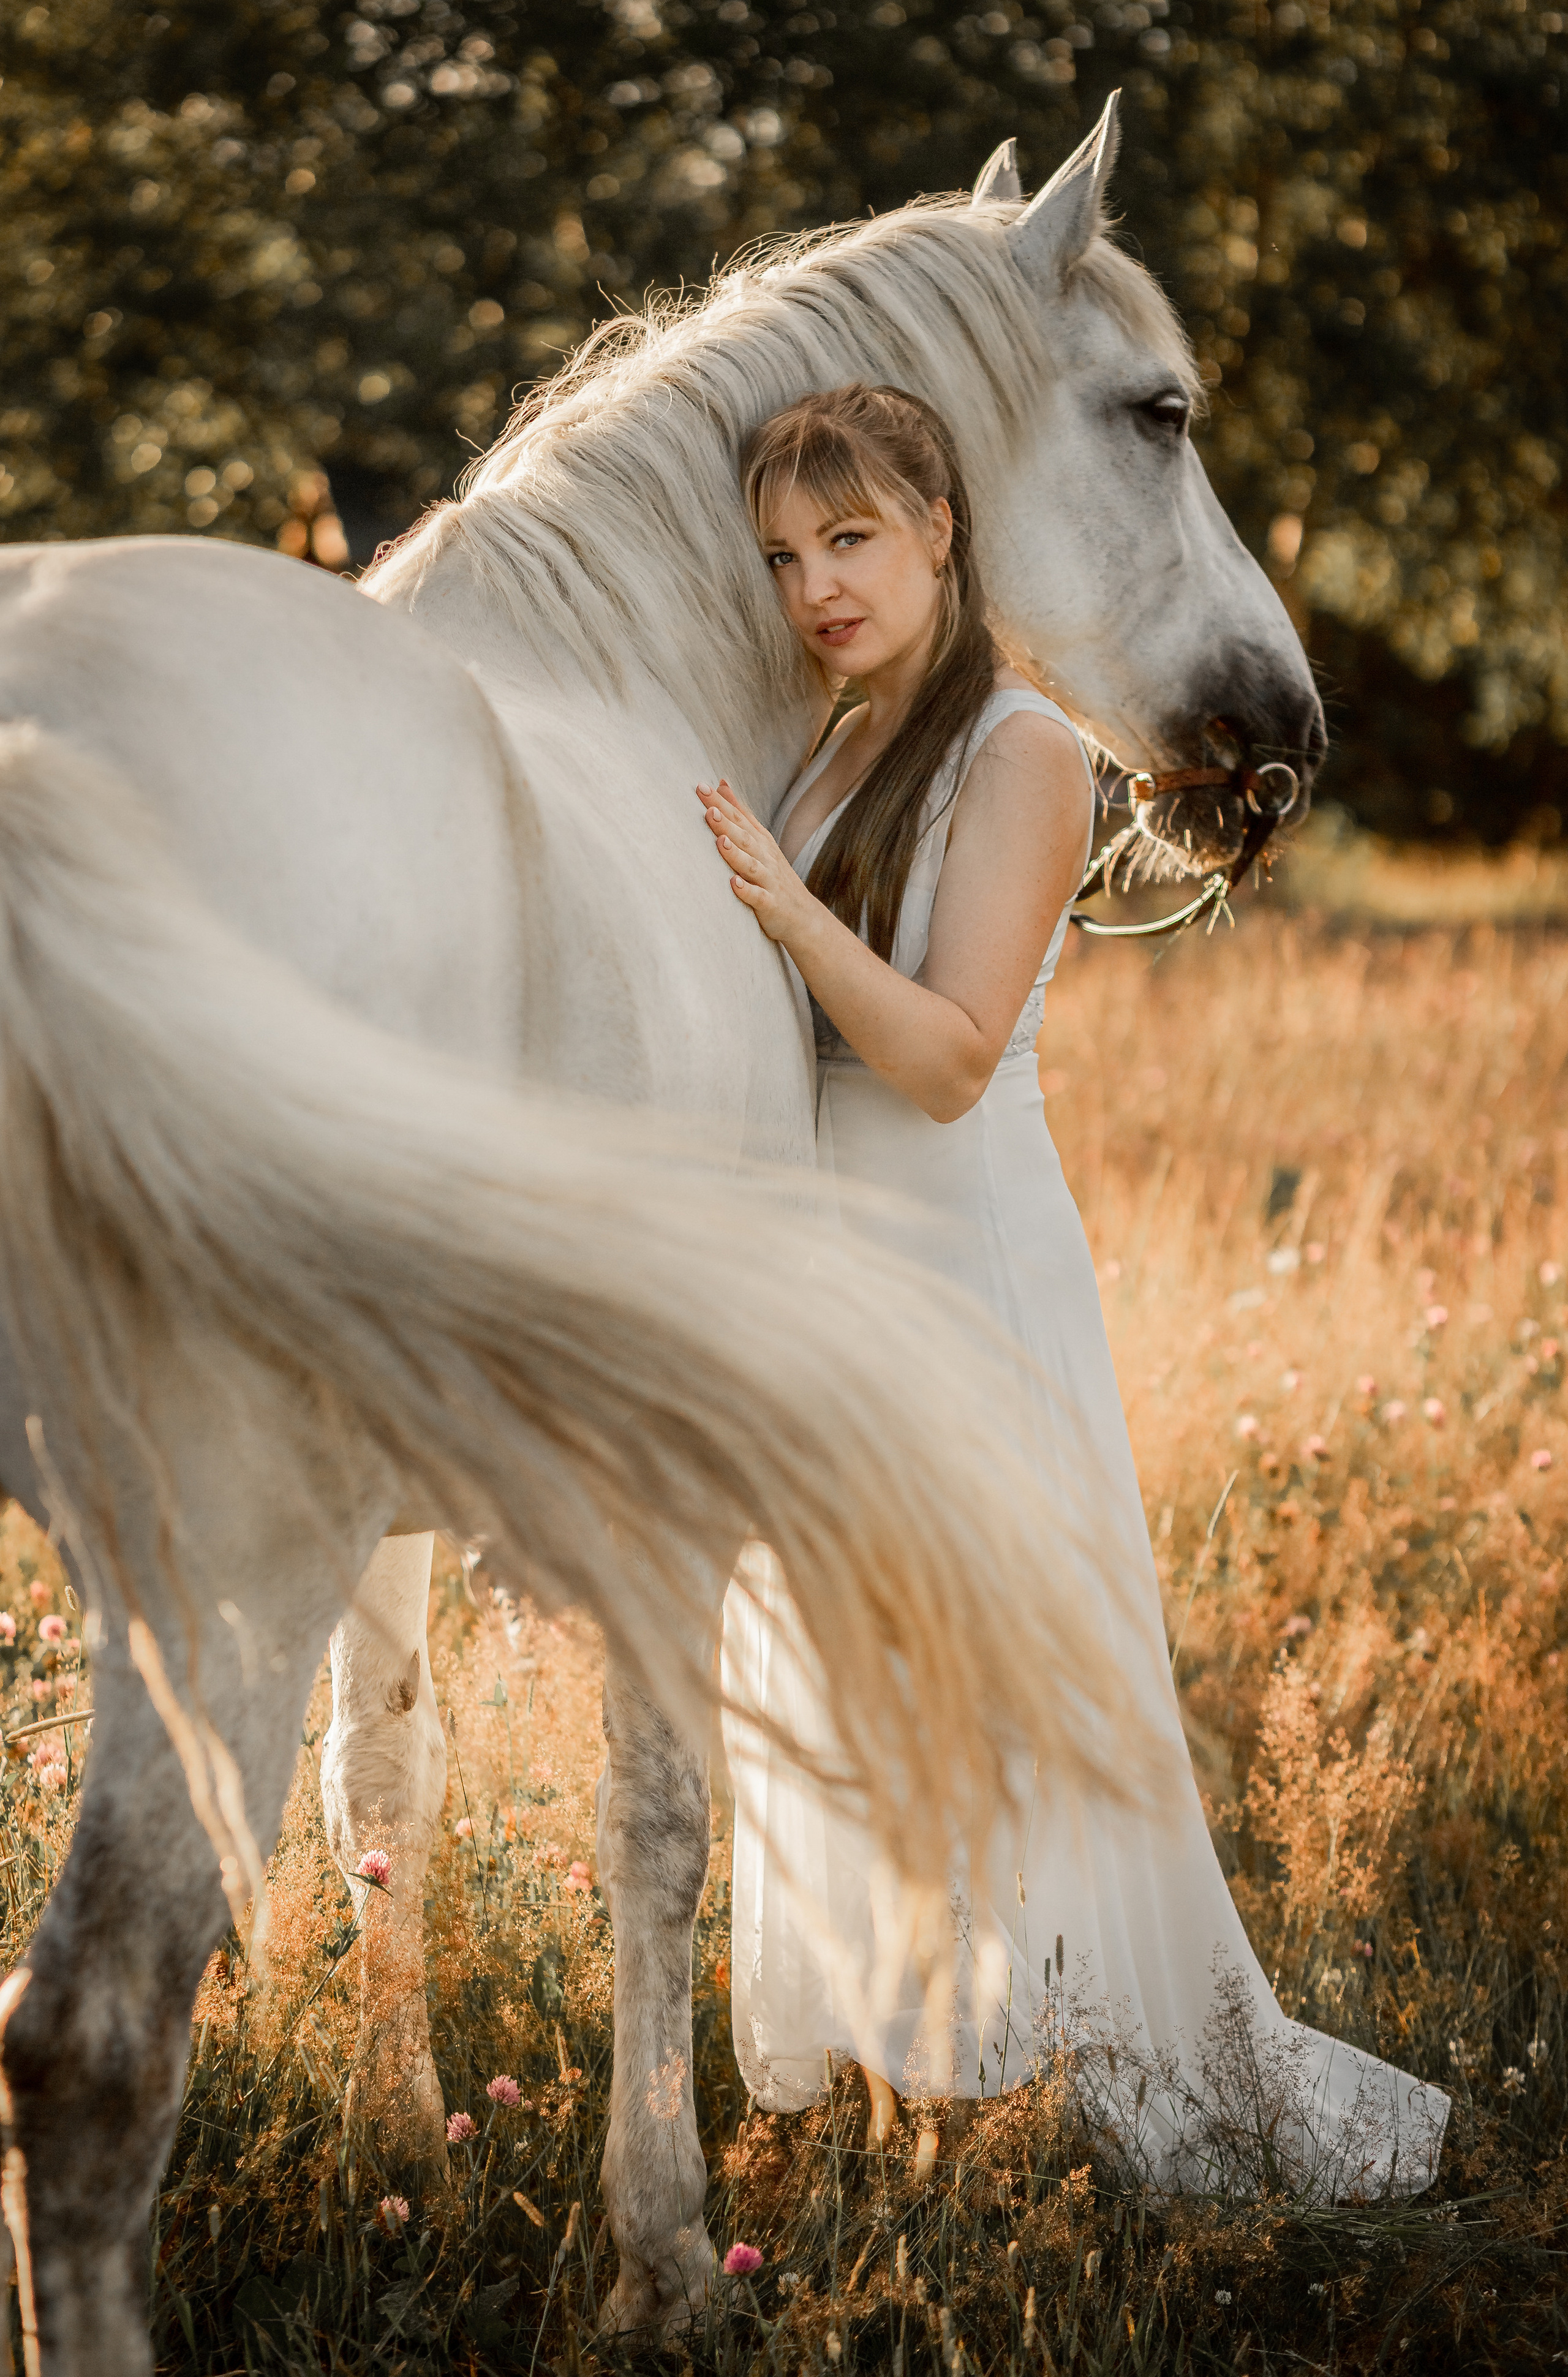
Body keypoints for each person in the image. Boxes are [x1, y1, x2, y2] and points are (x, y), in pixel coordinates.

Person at [701, 383, 1447, 2197]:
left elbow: (949, 1054)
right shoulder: (829, 744)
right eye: (790, 556)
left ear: (945, 527)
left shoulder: (1023, 747)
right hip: (837, 1294)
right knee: (852, 1678)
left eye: (853, 539)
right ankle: (909, 2061)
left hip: (967, 1280)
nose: (817, 587)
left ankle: (1080, 2065)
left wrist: (785, 918)